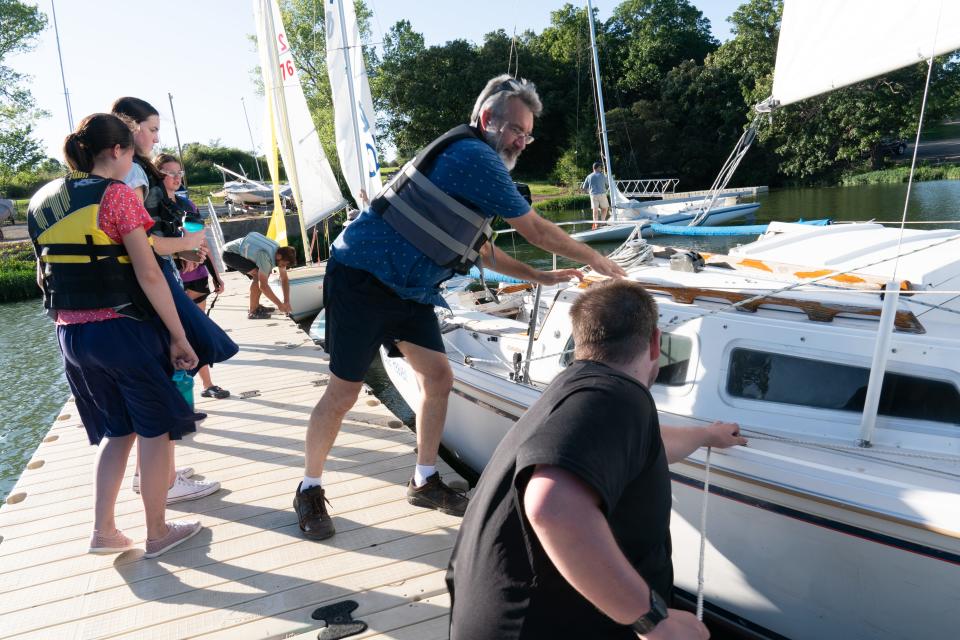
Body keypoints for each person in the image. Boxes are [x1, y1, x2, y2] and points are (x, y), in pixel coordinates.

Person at [292, 73, 628, 542]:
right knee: (343, 393)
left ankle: (424, 480)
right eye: (516, 130)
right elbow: (534, 230)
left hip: (409, 290)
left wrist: (542, 276)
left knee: (438, 377)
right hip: (362, 278)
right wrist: (594, 256)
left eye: (528, 135)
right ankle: (309, 488)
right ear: (487, 119)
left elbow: (479, 247)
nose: (523, 142)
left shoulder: (477, 163)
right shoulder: (473, 156)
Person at [446, 280, 747, 639]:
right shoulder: (616, 396)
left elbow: (644, 449)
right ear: (655, 342)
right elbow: (552, 505)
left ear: (580, 342)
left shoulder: (579, 391)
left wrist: (706, 436)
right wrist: (653, 621)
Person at [27, 113, 206, 557]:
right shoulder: (119, 196)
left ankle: (104, 531)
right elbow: (149, 275)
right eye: (134, 153)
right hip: (123, 330)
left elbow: (41, 278)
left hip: (72, 336)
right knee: (154, 429)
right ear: (118, 151)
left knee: (117, 431)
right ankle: (158, 532)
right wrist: (180, 336)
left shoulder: (43, 198)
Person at [113, 97, 237, 502]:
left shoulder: (128, 171)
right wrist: (181, 243)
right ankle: (162, 482)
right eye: (151, 128)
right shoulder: (131, 172)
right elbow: (139, 241)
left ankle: (157, 472)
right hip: (151, 290)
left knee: (171, 374)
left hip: (142, 290)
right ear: (130, 128)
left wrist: (179, 250)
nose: (155, 137)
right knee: (175, 370)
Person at [153, 154, 230, 400]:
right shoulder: (151, 206)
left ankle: (207, 384)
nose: (176, 178)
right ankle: (177, 393)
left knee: (196, 330)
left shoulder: (187, 206)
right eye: (170, 173)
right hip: (169, 280)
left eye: (180, 173)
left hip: (196, 276)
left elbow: (202, 242)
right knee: (174, 337)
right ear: (157, 174)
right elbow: (152, 245)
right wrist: (182, 250)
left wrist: (216, 276)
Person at [220, 231, 296, 319]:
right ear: (279, 256)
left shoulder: (281, 253)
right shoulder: (266, 256)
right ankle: (253, 311)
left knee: (264, 274)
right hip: (229, 253)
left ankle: (256, 305)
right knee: (257, 276)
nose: (283, 267)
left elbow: (284, 279)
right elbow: (263, 286)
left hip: (237, 250)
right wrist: (279, 304)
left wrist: (286, 301)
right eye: (284, 264)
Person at [582, 161, 610, 229]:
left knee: (595, 210)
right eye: (600, 167)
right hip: (602, 194)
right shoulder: (603, 175)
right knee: (605, 208)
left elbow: (583, 188)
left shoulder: (589, 176)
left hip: (593, 195)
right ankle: (603, 222)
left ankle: (596, 224)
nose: (601, 169)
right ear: (598, 168)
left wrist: (588, 192)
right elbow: (608, 184)